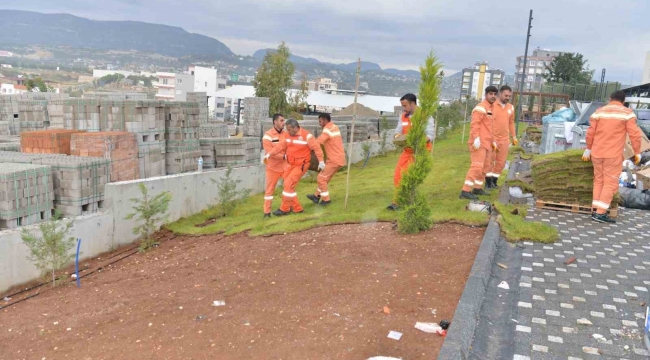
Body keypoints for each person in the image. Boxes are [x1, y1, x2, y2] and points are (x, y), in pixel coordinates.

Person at [583, 90, 642, 223]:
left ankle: (595, 209)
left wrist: (588, 149)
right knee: (610, 183)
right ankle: (600, 213)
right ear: (623, 100)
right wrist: (637, 152)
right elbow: (635, 134)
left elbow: (590, 132)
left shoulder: (599, 112)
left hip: (597, 153)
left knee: (598, 180)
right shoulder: (627, 113)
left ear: (610, 98)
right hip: (613, 155)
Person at [264, 119, 324, 216]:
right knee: (288, 186)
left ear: (296, 128)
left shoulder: (306, 136)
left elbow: (317, 148)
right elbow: (280, 146)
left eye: (289, 129)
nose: (288, 131)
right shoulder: (288, 135)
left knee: (288, 184)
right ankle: (297, 208)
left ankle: (284, 209)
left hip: (301, 165)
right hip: (291, 164)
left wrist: (321, 161)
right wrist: (269, 154)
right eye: (287, 129)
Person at [387, 93, 435, 211]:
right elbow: (398, 131)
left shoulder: (425, 116)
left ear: (413, 103)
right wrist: (398, 137)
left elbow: (430, 135)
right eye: (402, 105)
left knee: (407, 175)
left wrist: (417, 142)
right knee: (397, 175)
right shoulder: (403, 116)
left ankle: (401, 202)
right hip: (407, 151)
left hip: (420, 151)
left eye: (405, 105)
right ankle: (399, 201)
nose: (404, 108)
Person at [459, 86, 498, 200]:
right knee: (477, 166)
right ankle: (465, 191)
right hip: (479, 143)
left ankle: (477, 188)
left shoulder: (491, 109)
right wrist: (476, 138)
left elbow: (491, 127)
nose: (493, 96)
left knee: (485, 167)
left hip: (487, 143)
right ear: (486, 95)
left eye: (495, 94)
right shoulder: (480, 108)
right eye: (490, 94)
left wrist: (493, 141)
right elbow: (475, 124)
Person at [307, 113, 346, 206]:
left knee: (321, 178)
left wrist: (308, 145)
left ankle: (326, 200)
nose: (319, 123)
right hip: (339, 158)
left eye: (320, 121)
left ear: (325, 120)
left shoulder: (327, 130)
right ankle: (316, 196)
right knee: (325, 178)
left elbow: (319, 141)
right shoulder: (334, 127)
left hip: (334, 159)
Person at [486, 85, 518, 189]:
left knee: (501, 162)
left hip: (505, 139)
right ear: (500, 94)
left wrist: (514, 136)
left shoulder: (511, 107)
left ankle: (494, 181)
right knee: (490, 161)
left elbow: (511, 122)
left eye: (509, 96)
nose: (507, 98)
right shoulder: (492, 105)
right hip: (493, 139)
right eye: (506, 95)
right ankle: (488, 182)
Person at [261, 113, 289, 218]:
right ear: (275, 122)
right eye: (281, 120)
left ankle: (286, 208)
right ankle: (267, 212)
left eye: (284, 120)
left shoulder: (285, 134)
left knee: (289, 187)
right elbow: (269, 153)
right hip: (273, 168)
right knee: (269, 190)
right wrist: (284, 157)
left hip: (285, 166)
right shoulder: (268, 136)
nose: (283, 123)